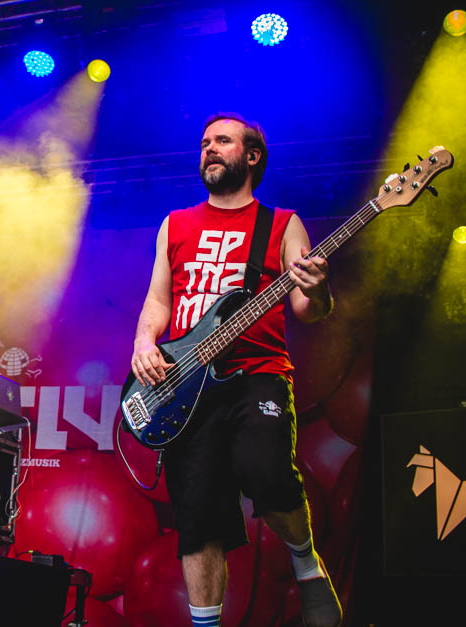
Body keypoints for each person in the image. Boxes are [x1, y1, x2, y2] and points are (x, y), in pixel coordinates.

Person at [130, 114, 342, 627]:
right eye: (204, 142)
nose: (209, 148)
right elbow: (158, 300)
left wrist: (316, 288)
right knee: (198, 518)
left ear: (251, 156)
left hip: (257, 373)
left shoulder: (282, 223)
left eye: (222, 141)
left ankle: (305, 563)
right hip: (184, 383)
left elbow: (307, 309)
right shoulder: (175, 224)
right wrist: (143, 342)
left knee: (265, 471)